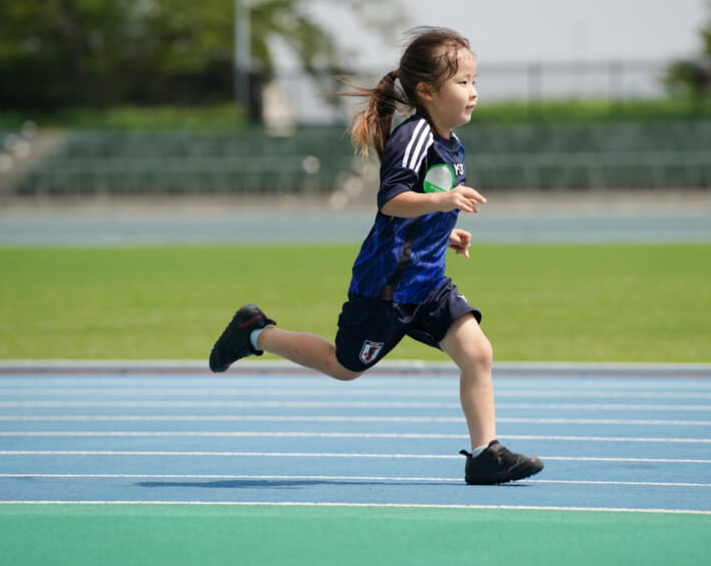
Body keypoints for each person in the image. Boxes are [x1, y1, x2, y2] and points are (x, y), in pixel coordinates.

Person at [209, 27, 543, 485]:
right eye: (463, 82)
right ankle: (256, 333)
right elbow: (391, 200)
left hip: (426, 284)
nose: (474, 93)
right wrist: (442, 205)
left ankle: (485, 454)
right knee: (342, 368)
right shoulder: (416, 137)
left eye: (475, 81)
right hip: (385, 287)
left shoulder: (450, 142)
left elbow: (419, 206)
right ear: (427, 90)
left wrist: (444, 232)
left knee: (477, 352)